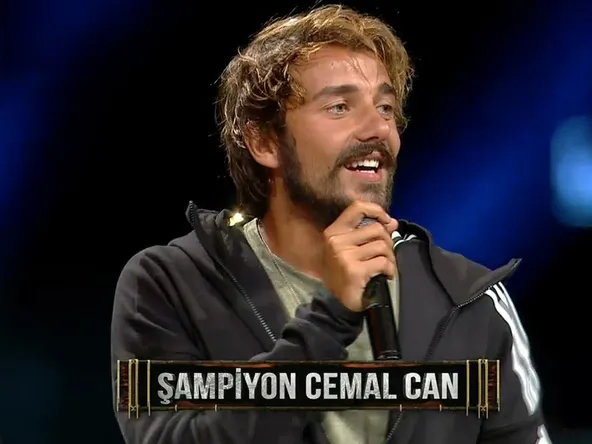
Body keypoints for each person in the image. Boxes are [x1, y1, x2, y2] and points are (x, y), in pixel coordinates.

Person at [111, 5, 551, 444]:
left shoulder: (467, 297)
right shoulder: (172, 285)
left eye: (385, 107)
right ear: (264, 141)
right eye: (340, 107)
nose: (378, 129)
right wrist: (330, 317)